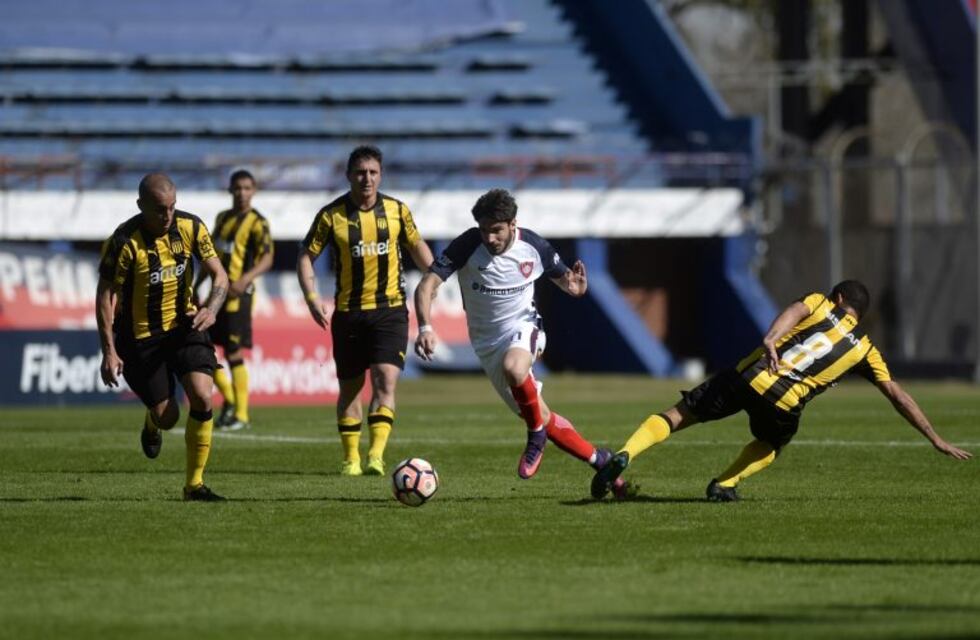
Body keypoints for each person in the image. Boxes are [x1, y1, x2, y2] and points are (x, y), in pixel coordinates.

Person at [591, 280, 973, 502]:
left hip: (751, 375)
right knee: (771, 446)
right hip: (784, 403)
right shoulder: (866, 350)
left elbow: (795, 311)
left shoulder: (820, 303)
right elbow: (897, 395)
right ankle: (724, 484)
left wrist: (772, 337)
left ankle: (625, 453)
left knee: (678, 415)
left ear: (838, 299)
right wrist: (934, 437)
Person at [414, 188, 631, 496]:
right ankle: (601, 461)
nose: (490, 238)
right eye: (484, 230)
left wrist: (577, 289)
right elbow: (426, 285)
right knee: (540, 413)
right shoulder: (467, 245)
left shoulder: (534, 246)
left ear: (513, 224)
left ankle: (535, 437)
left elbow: (567, 281)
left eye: (497, 230)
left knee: (515, 369)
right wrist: (424, 326)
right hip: (486, 344)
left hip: (525, 326)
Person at [297, 145, 433, 476]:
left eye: (373, 172)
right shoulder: (331, 216)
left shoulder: (398, 211)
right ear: (348, 176)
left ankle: (375, 455)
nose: (367, 178)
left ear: (381, 175)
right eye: (360, 172)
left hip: (390, 310)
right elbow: (305, 256)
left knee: (385, 379)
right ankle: (351, 459)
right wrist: (312, 297)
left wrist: (437, 275)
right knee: (351, 388)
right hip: (349, 314)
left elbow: (416, 246)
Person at [96, 173, 230, 501]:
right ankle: (153, 422)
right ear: (140, 205)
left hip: (184, 325)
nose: (167, 215)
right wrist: (109, 351)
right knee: (169, 417)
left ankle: (193, 486)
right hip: (140, 338)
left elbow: (220, 275)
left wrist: (211, 308)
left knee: (202, 395)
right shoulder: (124, 241)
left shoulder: (191, 228)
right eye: (159, 209)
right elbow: (104, 295)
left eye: (172, 207)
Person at [206, 169, 274, 431]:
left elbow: (267, 258)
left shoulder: (258, 223)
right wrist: (198, 286)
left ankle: (241, 414)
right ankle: (231, 400)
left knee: (233, 353)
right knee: (204, 349)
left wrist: (245, 279)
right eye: (238, 188)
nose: (242, 193)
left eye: (247, 188)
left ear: (254, 190)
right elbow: (210, 254)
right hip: (215, 295)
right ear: (230, 190)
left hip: (238, 296)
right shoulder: (222, 219)